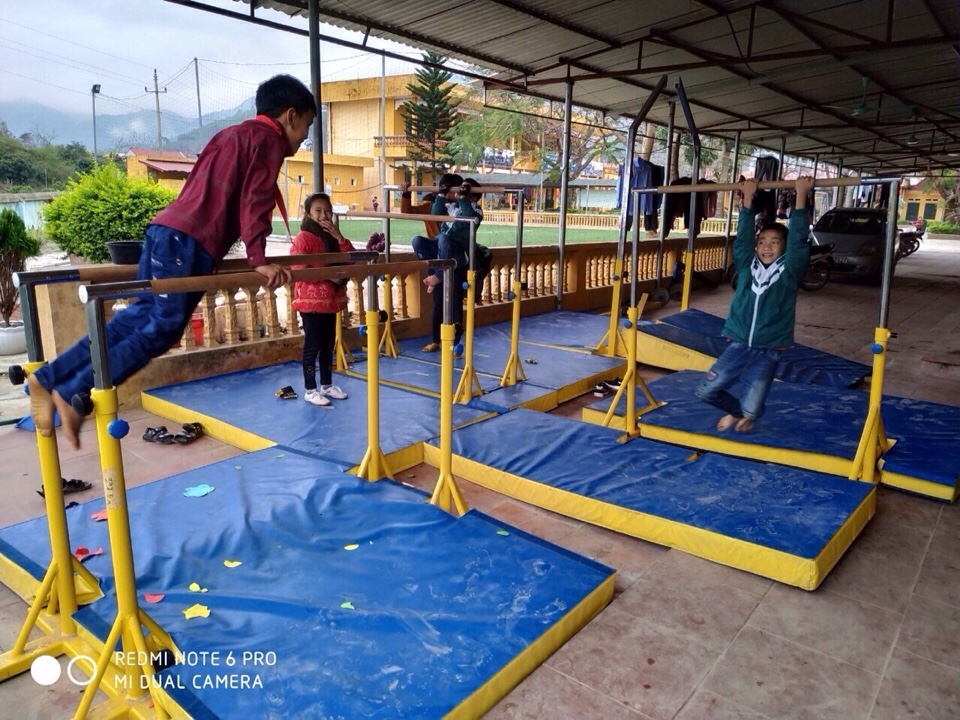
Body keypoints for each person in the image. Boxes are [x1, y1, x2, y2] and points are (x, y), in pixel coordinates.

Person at [26, 74, 316, 448]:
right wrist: (257, 258)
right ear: (290, 116)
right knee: (162, 328)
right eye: (306, 126)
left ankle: (49, 378)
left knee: (136, 317)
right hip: (189, 241)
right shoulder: (267, 140)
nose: (304, 138)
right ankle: (72, 392)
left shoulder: (230, 135)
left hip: (165, 231)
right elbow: (255, 199)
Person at [695, 175, 814, 432]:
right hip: (739, 343)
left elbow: (798, 240)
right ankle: (735, 411)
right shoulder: (747, 266)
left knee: (753, 408)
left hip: (770, 345)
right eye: (762, 242)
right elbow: (742, 240)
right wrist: (747, 199)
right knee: (707, 391)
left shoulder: (790, 270)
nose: (766, 246)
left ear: (784, 248)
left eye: (774, 242)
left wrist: (800, 196)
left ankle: (745, 414)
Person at [291, 192, 354, 407]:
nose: (323, 215)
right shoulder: (304, 237)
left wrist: (339, 237)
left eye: (327, 210)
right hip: (310, 302)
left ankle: (327, 385)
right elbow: (298, 268)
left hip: (330, 301)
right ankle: (310, 389)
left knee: (328, 345)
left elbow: (350, 259)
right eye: (318, 211)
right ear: (309, 213)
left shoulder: (333, 237)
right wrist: (327, 275)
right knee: (312, 346)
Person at [410, 174, 483, 354]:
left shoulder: (476, 210)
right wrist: (441, 195)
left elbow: (469, 215)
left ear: (473, 196)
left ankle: (454, 343)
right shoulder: (452, 207)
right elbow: (436, 214)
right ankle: (436, 339)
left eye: (463, 191)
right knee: (418, 240)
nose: (458, 194)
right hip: (443, 256)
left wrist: (464, 198)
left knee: (454, 304)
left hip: (458, 258)